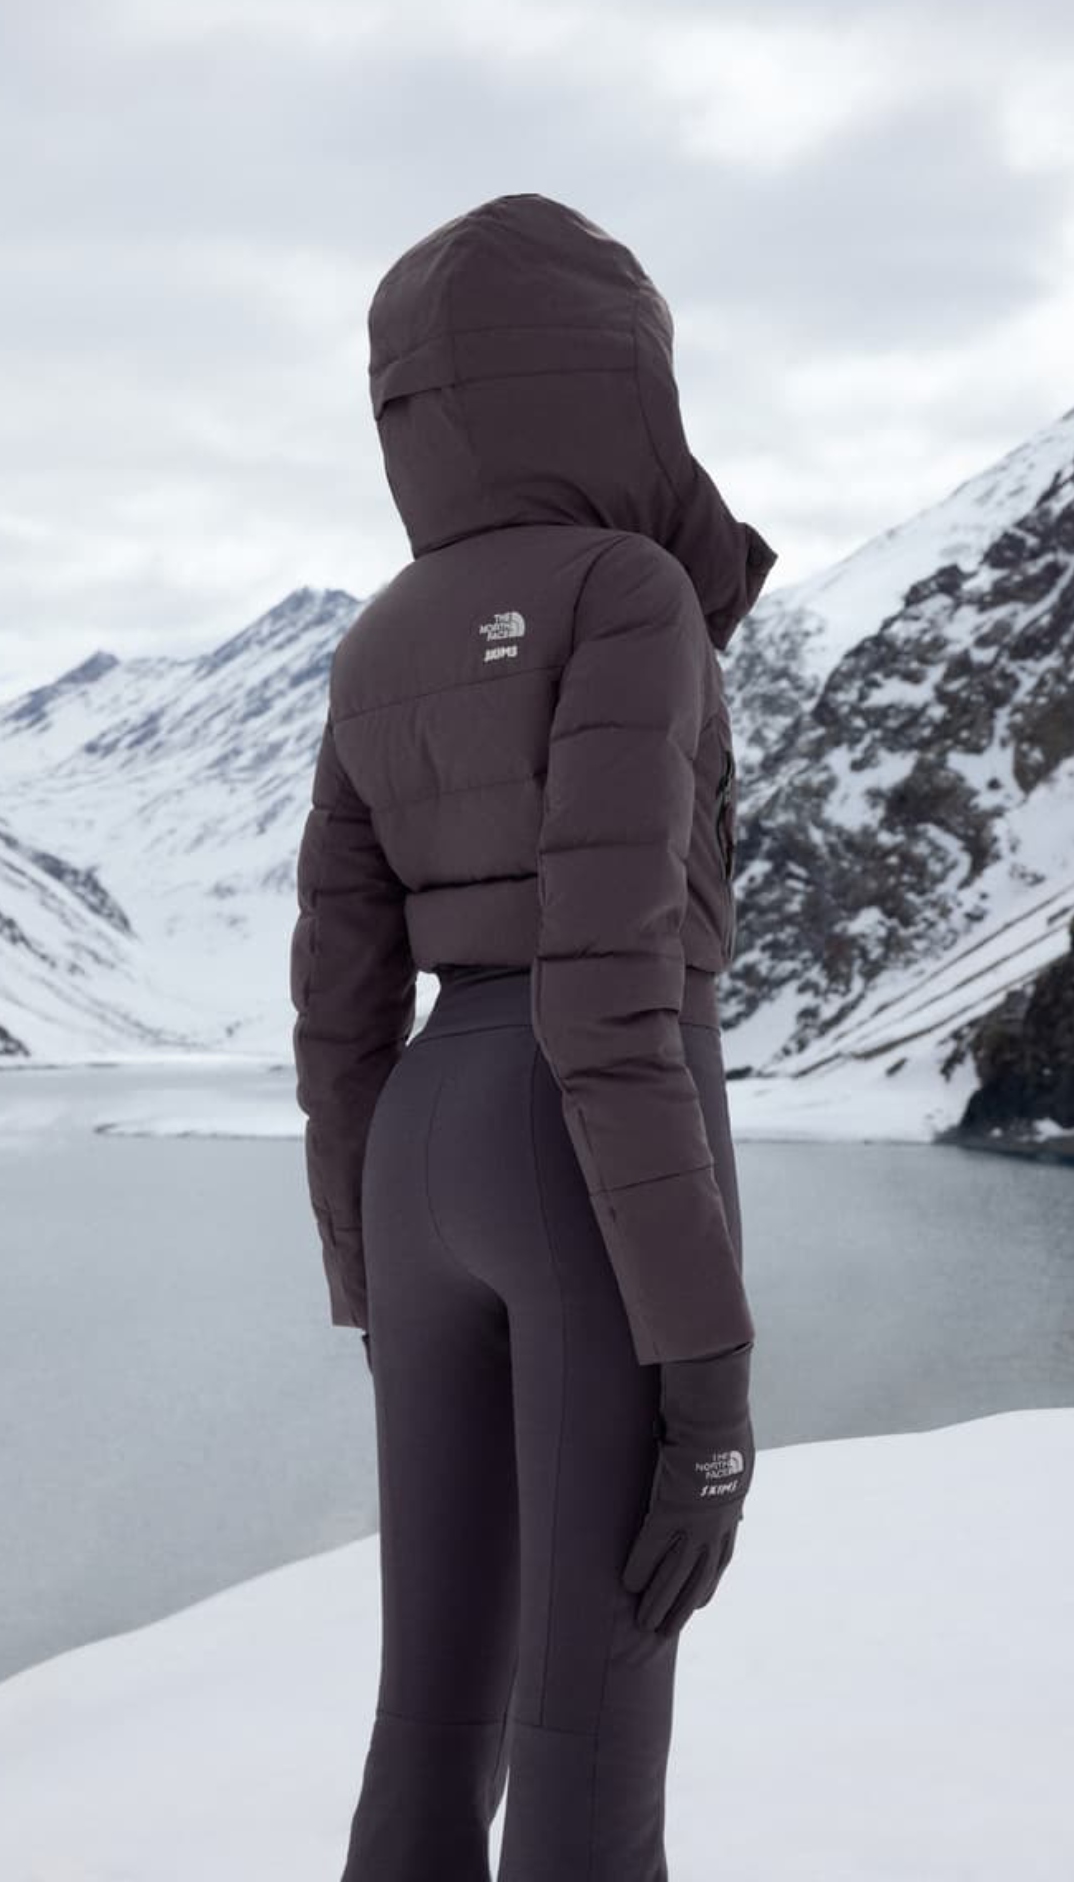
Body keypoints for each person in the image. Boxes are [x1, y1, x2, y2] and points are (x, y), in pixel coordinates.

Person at [289, 191, 778, 1882]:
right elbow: (612, 982)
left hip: (420, 1145)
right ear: (615, 377)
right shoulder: (627, 589)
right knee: (590, 1729)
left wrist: (373, 1276)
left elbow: (337, 1002)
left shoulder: (378, 636)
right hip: (587, 1149)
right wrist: (710, 1383)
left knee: (431, 1717)